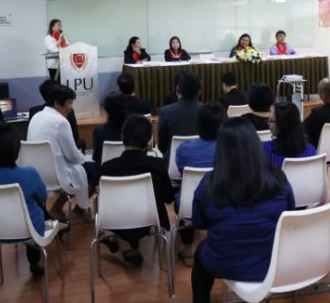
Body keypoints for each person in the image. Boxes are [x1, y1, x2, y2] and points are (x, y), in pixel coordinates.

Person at [191, 118, 295, 302]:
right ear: (255, 144)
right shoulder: (278, 178)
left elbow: (199, 223)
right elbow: (290, 214)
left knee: (201, 253)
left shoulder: (209, 183)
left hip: (224, 262)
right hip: (271, 262)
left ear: (221, 149)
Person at [0, 122, 50, 276]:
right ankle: (34, 261)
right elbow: (43, 197)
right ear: (16, 148)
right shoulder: (29, 173)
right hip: (27, 231)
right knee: (37, 210)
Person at [100, 115, 175, 266]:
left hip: (115, 221)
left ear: (122, 138)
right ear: (149, 140)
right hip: (149, 220)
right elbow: (168, 197)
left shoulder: (107, 168)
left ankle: (120, 242)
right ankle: (134, 248)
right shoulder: (157, 165)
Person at [27, 85, 98, 221]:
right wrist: (83, 158)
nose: (71, 108)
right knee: (94, 169)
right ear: (57, 103)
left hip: (37, 172)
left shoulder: (36, 116)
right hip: (57, 174)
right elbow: (72, 156)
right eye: (69, 103)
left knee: (78, 171)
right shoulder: (61, 122)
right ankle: (79, 210)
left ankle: (57, 208)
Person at [174, 102, 228, 266]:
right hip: (225, 202)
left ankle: (188, 251)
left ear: (199, 125)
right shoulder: (230, 149)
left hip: (189, 205)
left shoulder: (184, 149)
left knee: (182, 197)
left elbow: (180, 171)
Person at [158, 73, 203, 168]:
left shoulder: (165, 112)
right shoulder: (207, 111)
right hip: (202, 164)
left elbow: (162, 147)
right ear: (199, 91)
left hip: (172, 165)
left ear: (178, 90)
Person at [29, 79, 84, 151]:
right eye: (70, 102)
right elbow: (74, 138)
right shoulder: (63, 118)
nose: (71, 107)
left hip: (34, 154)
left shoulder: (35, 113)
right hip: (57, 153)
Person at [263, 101, 316, 167]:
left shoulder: (264, 149)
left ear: (281, 125)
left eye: (270, 120)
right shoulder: (312, 151)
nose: (268, 124)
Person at [92, 92, 128, 165]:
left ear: (105, 109)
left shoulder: (99, 131)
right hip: (130, 169)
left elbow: (96, 157)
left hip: (105, 170)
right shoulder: (134, 129)